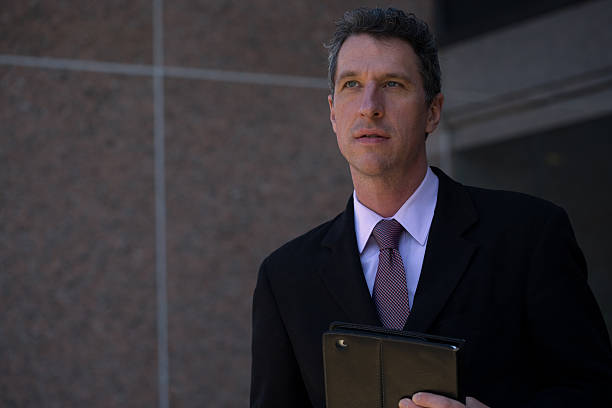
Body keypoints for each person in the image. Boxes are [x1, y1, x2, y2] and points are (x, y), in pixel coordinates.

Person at [250, 7, 612, 408]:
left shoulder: (530, 236)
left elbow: (593, 391)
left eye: (392, 83)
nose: (370, 106)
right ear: (333, 113)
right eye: (352, 84)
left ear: (433, 111)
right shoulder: (285, 277)